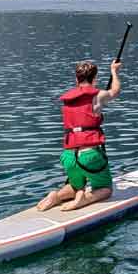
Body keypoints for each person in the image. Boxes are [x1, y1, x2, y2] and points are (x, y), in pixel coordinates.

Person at [37, 58, 122, 212]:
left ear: (76, 79)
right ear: (95, 78)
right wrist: (114, 72)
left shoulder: (68, 100)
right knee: (105, 188)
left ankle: (55, 196)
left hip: (68, 156)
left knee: (75, 186)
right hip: (90, 155)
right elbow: (115, 91)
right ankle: (84, 199)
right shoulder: (98, 96)